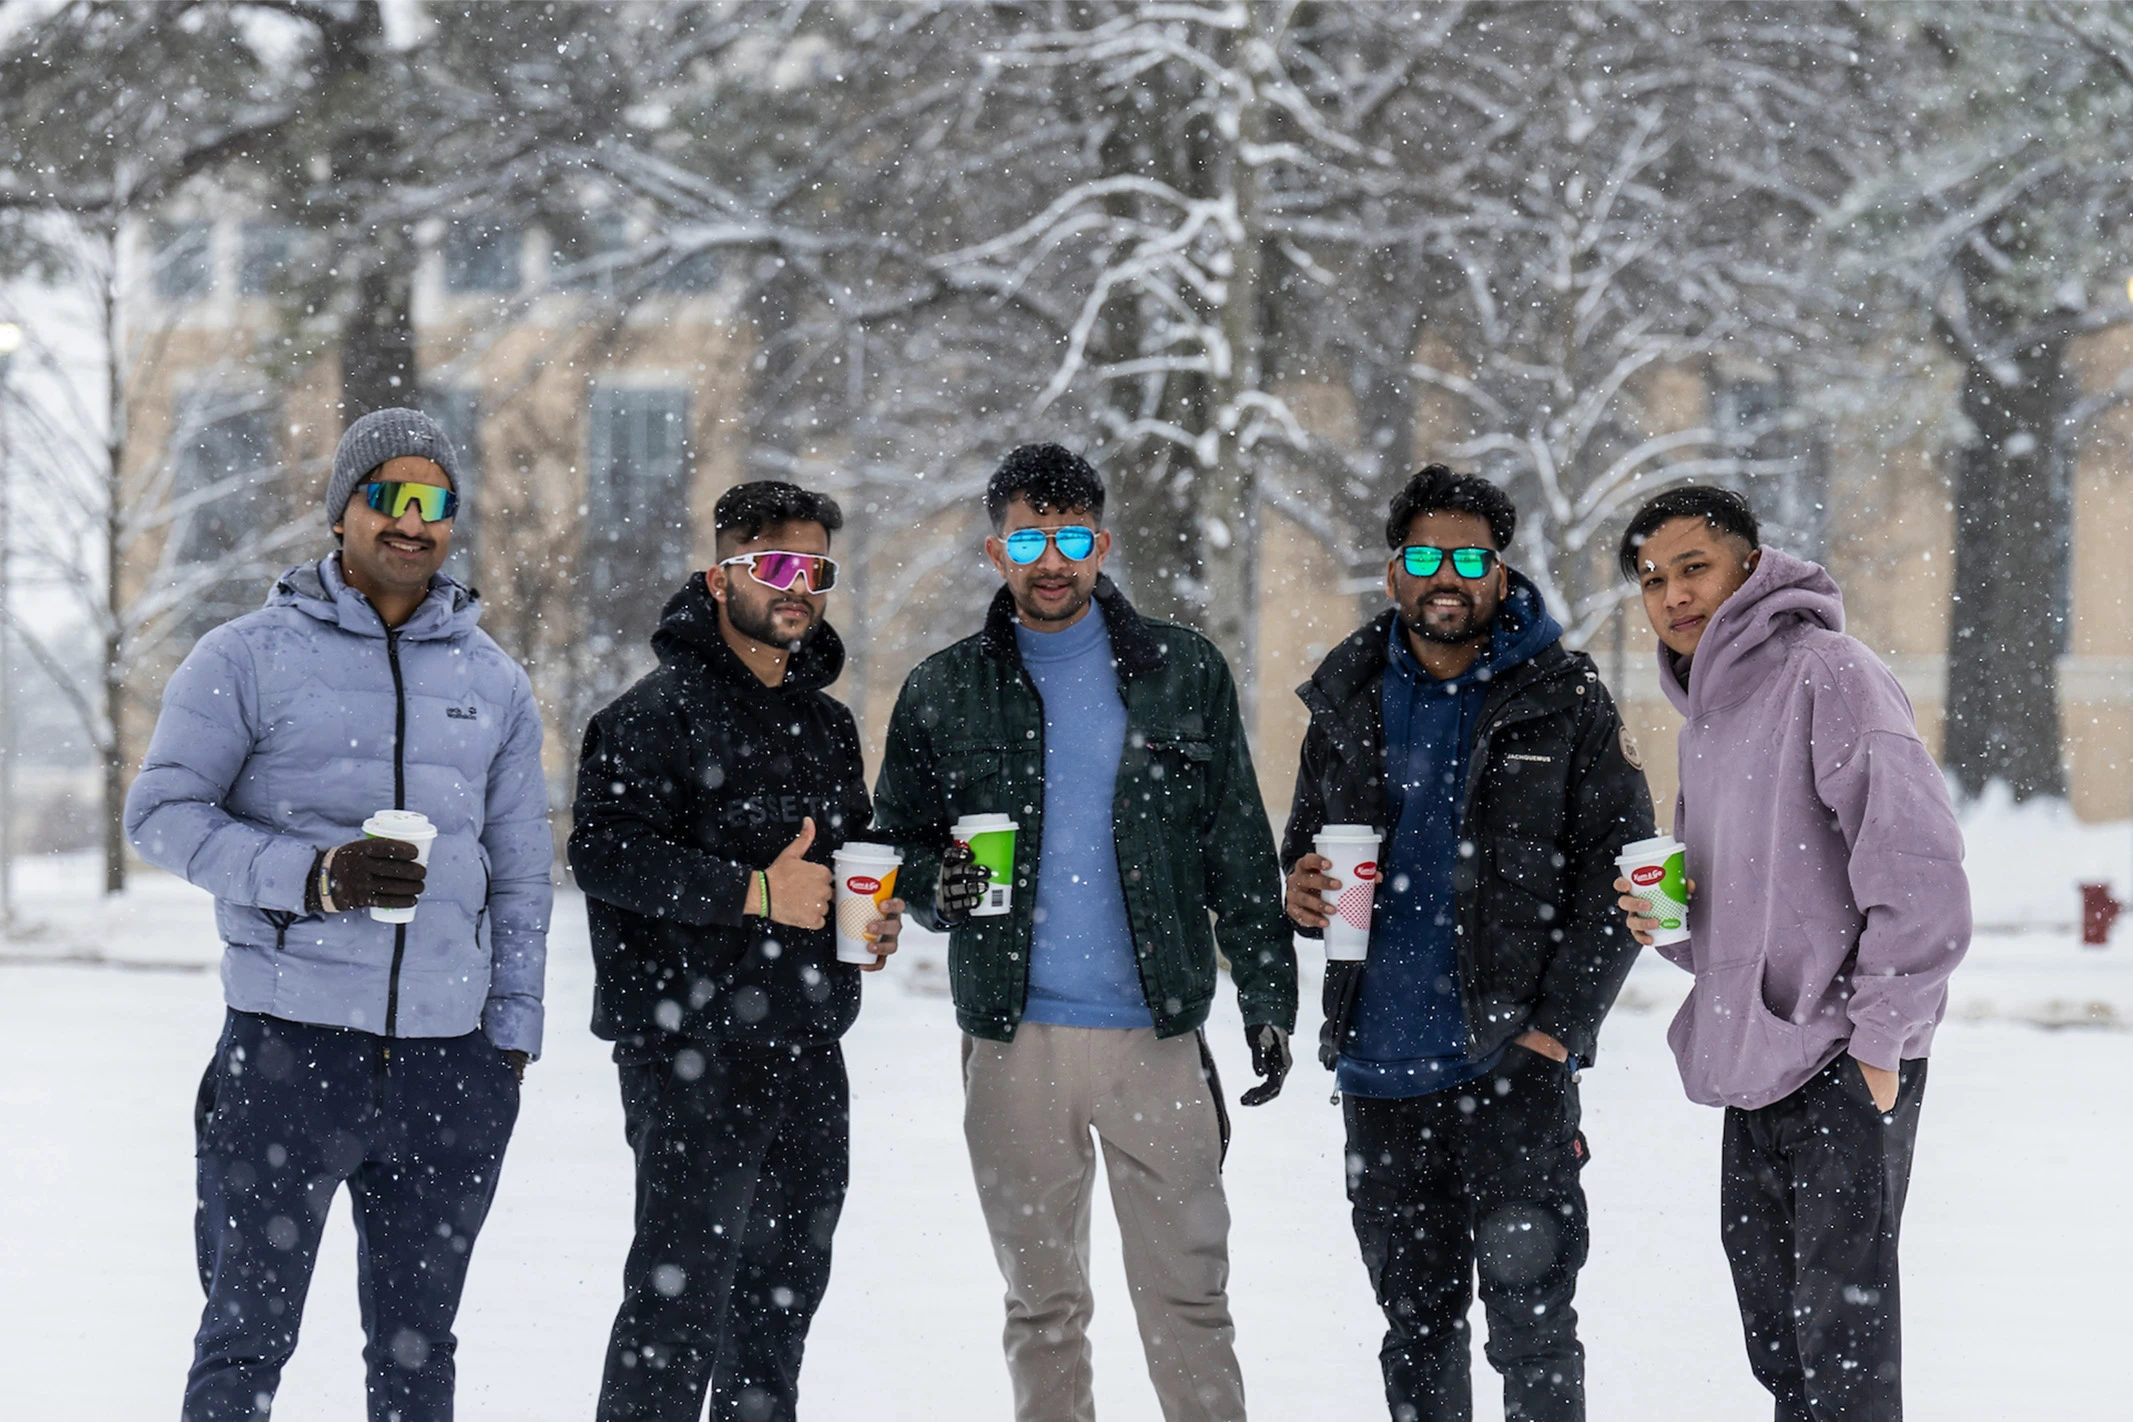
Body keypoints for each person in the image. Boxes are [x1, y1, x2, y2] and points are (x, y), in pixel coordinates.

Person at [126, 407, 553, 1422]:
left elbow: (522, 876)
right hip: (287, 1055)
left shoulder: (493, 684)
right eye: (388, 497)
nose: (413, 521)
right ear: (342, 512)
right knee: (244, 1343)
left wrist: (513, 1038)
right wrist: (314, 876)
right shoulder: (248, 657)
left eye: (435, 502)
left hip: (451, 1071)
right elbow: (160, 814)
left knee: (417, 1362)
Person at [871, 443, 1295, 1422]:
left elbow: (1237, 848)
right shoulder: (943, 690)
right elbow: (895, 852)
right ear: (996, 550)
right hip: (1012, 1039)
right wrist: (948, 882)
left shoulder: (1182, 674)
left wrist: (1270, 998)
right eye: (1029, 537)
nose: (1050, 560)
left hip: (1156, 1036)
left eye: (1069, 537)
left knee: (1189, 1301)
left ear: (1101, 544)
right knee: (1043, 1306)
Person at [1280, 464, 1654, 1422]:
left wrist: (1554, 1036)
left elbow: (1621, 883)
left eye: (1468, 557)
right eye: (1423, 555)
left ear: (1498, 570)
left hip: (1511, 1071)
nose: (1445, 576)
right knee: (1414, 1334)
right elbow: (1304, 854)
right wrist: (1302, 892)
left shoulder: (1564, 699)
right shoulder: (1346, 696)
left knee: (1532, 1331)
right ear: (1393, 570)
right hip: (1378, 1074)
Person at [1613, 485, 1968, 1422]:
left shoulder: (1829, 673)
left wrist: (1880, 1043)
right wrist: (1675, 923)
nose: (1673, 595)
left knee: (1841, 1352)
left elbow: (1917, 868)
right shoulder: (1706, 713)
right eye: (1652, 579)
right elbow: (1753, 902)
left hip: (1846, 1056)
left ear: (1749, 565)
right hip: (1753, 1057)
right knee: (1781, 1346)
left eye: (1693, 567)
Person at [569, 480, 900, 1422]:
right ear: (722, 578)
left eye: (819, 570)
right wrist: (752, 891)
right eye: (780, 566)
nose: (802, 587)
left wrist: (868, 919)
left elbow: (843, 863)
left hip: (807, 1049)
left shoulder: (827, 726)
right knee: (676, 1313)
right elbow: (604, 853)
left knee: (779, 1317)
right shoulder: (651, 715)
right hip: (690, 1054)